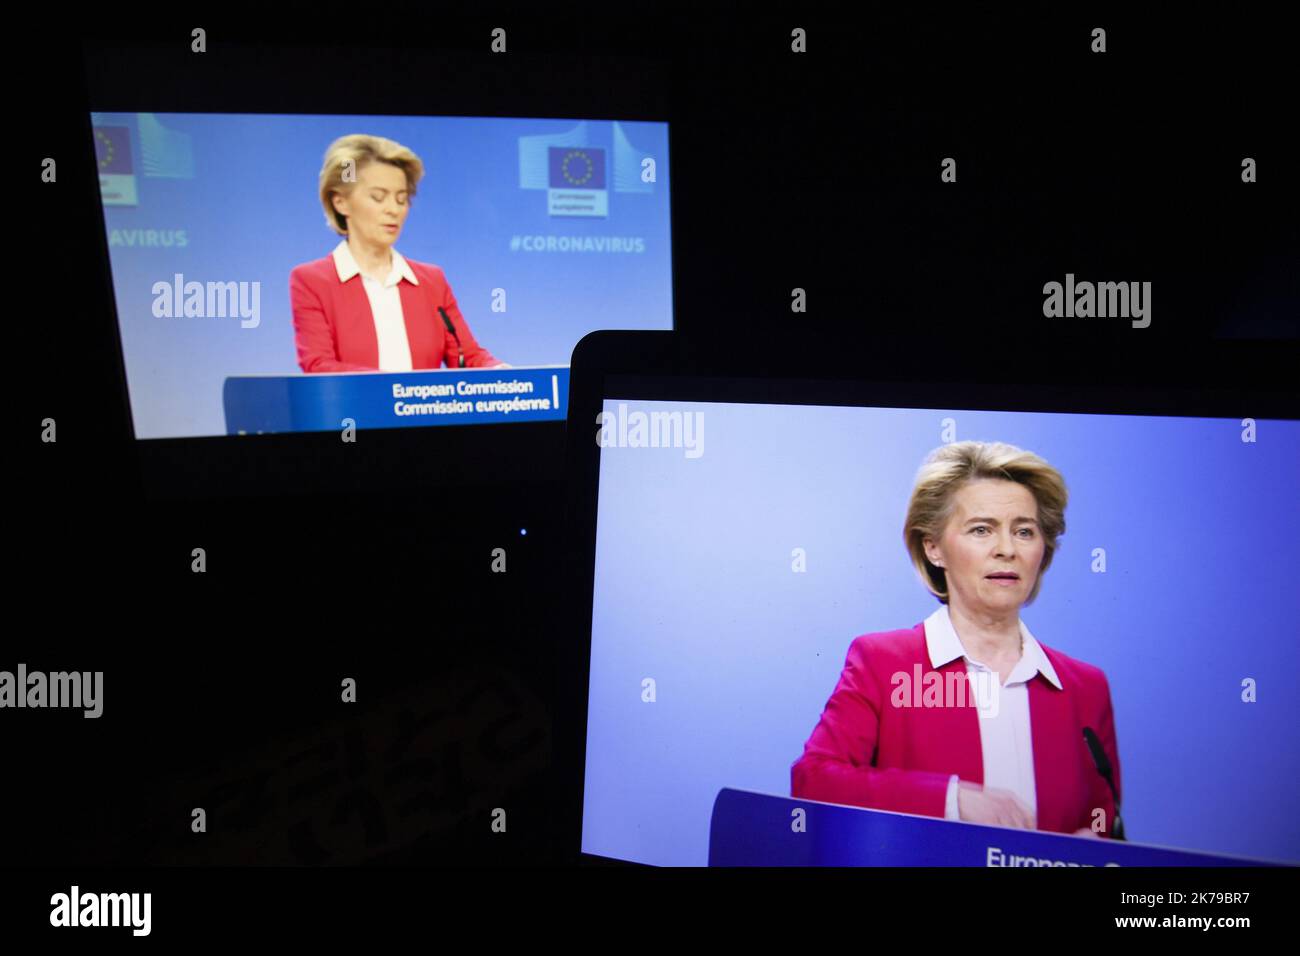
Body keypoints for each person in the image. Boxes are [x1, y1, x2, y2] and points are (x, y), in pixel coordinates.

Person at [791, 440, 1123, 838]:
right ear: (934, 548)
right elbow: (813, 781)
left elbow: (1105, 822)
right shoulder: (882, 662)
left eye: (1024, 531)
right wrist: (952, 800)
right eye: (982, 530)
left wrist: (1095, 847)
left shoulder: (1085, 688)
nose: (1006, 550)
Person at [289, 133, 507, 373]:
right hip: (353, 411)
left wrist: (498, 369)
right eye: (378, 197)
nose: (393, 210)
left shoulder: (431, 281)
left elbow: (467, 357)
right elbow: (319, 366)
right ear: (341, 202)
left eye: (401, 200)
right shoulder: (312, 281)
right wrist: (395, 391)